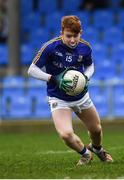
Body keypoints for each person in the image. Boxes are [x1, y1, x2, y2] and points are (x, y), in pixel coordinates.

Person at [28, 15, 113, 165]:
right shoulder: (50, 47)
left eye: (76, 36)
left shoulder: (85, 47)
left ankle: (97, 149)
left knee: (96, 129)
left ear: (81, 33)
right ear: (61, 32)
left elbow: (90, 65)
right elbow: (32, 70)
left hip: (81, 96)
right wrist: (53, 78)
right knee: (66, 134)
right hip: (58, 98)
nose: (73, 40)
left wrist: (86, 77)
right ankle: (86, 154)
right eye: (69, 36)